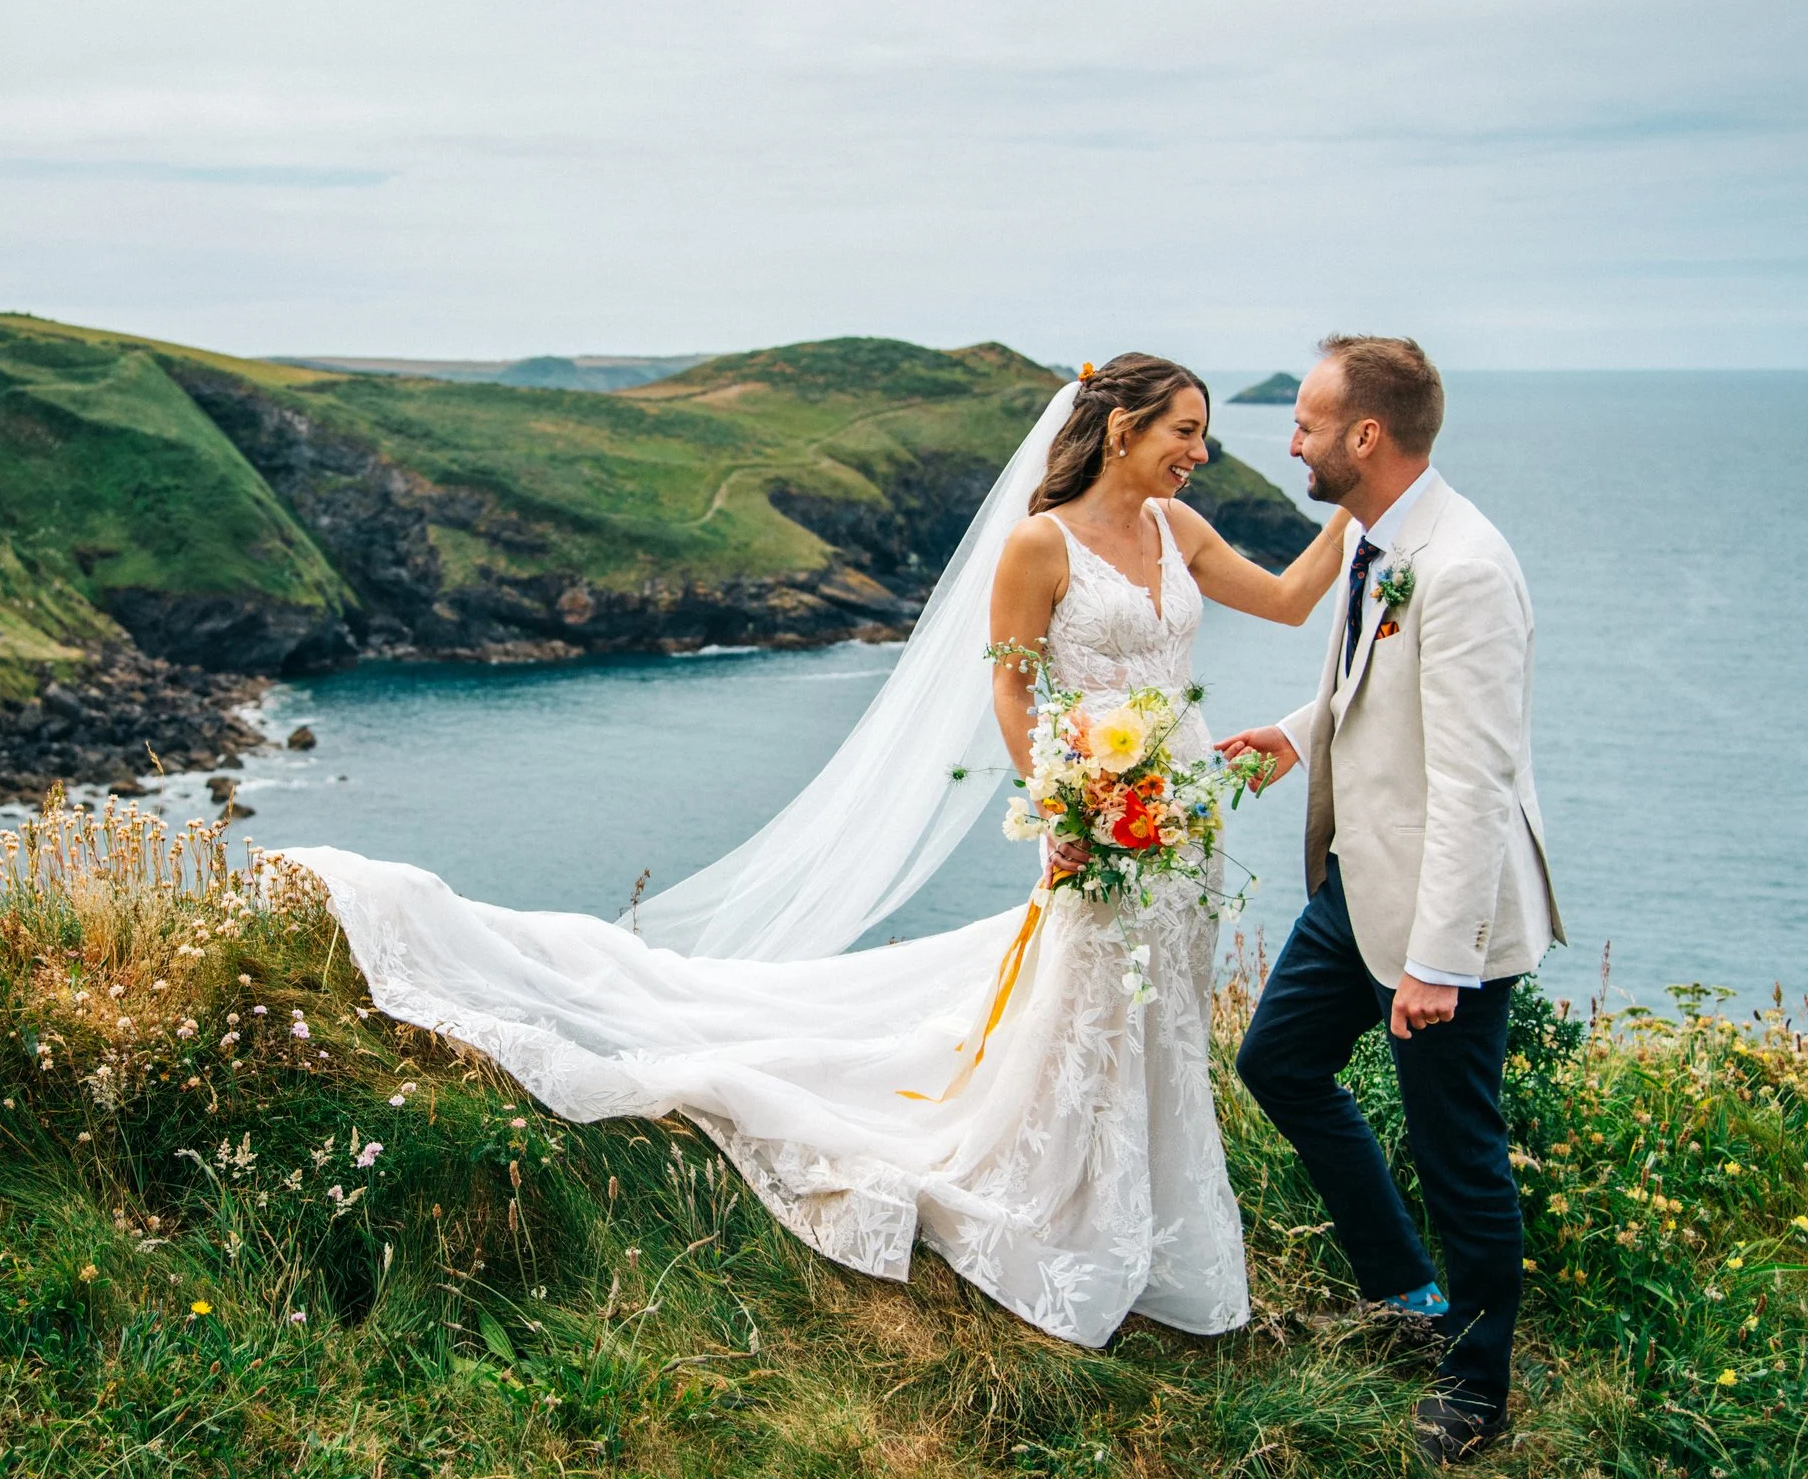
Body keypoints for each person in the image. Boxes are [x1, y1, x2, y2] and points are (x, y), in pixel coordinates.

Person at [280, 352, 1345, 1349]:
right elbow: (1013, 684)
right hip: (1096, 814)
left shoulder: (1178, 527)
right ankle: (1073, 1207)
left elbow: (1293, 602)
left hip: (1185, 820)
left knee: (1161, 1005)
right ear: (1121, 427)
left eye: (1201, 435)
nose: (1199, 452)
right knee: (1094, 1000)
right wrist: (1064, 804)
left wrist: (1374, 508)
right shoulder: (1038, 543)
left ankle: (1157, 1227)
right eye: (1186, 430)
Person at [1218, 334, 1560, 1465]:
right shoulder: (1378, 541)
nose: (1292, 439)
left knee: (1456, 1146)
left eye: (1307, 422)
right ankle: (1406, 1295)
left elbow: (1472, 780)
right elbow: (1370, 692)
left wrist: (1438, 962)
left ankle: (1475, 1381)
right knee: (1276, 1060)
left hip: (1435, 919)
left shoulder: (1461, 567)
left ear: (1366, 435)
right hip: (1359, 885)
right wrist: (1291, 729)